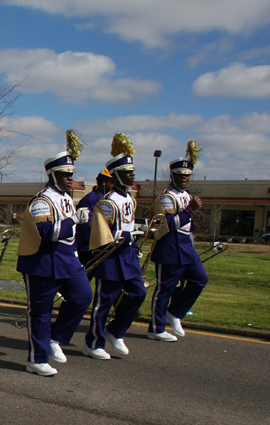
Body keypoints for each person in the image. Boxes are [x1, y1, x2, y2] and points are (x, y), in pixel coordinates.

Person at [16, 131, 93, 376]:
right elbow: (46, 231)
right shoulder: (41, 200)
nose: (70, 179)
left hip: (68, 260)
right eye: (65, 175)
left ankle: (56, 337)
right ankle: (36, 360)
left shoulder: (67, 198)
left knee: (82, 297)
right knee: (39, 312)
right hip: (43, 261)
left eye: (71, 174)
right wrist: (73, 221)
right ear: (52, 175)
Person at [83, 133, 147, 360]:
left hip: (127, 255)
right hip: (110, 256)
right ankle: (93, 343)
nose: (132, 175)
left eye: (132, 172)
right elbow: (105, 231)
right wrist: (129, 235)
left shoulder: (130, 199)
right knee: (104, 303)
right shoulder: (108, 201)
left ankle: (114, 330)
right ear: (118, 175)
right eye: (128, 172)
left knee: (139, 293)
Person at [147, 141, 208, 342]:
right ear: (173, 176)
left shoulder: (186, 195)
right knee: (165, 289)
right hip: (170, 246)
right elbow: (168, 224)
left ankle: (175, 313)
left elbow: (187, 224)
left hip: (186, 246)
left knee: (200, 278)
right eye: (181, 176)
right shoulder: (167, 198)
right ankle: (155, 327)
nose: (184, 179)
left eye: (187, 176)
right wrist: (190, 209)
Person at [77, 169, 114, 274]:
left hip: (102, 246)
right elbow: (89, 225)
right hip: (87, 249)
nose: (113, 186)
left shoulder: (108, 198)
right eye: (111, 183)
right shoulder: (90, 199)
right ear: (103, 182)